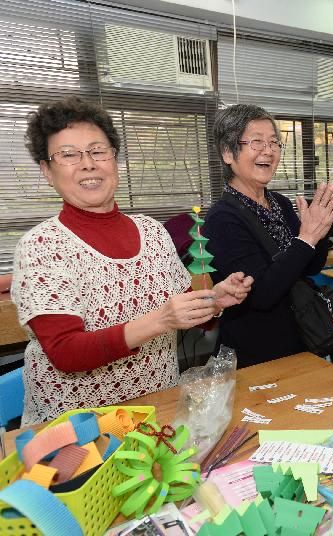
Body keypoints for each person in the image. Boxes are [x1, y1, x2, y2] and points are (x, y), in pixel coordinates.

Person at [12, 96, 253, 425]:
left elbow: (186, 313)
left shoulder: (152, 232)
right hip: (78, 430)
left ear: (114, 161)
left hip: (159, 412)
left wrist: (214, 302)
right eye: (68, 155)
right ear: (47, 171)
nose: (88, 163)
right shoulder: (41, 245)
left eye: (98, 151)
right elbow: (66, 353)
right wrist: (161, 321)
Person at [203, 104, 333, 367]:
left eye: (274, 142)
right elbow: (262, 294)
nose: (268, 150)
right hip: (256, 353)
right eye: (256, 142)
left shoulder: (279, 202)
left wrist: (319, 230)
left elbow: (310, 266)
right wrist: (307, 238)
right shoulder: (222, 219)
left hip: (300, 341)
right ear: (227, 153)